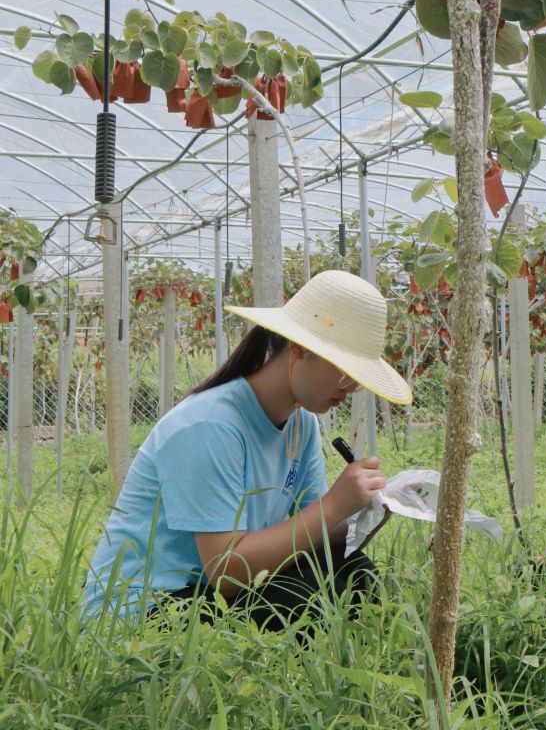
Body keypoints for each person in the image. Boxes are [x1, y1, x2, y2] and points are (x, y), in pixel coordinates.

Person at [83, 269, 412, 629]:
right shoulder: (210, 426)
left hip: (208, 590)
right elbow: (226, 571)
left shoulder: (301, 426)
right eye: (345, 372)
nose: (350, 388)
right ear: (300, 348)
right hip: (148, 608)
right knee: (299, 600)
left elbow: (313, 536)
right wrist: (332, 505)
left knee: (353, 572)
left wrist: (367, 512)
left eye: (358, 380)